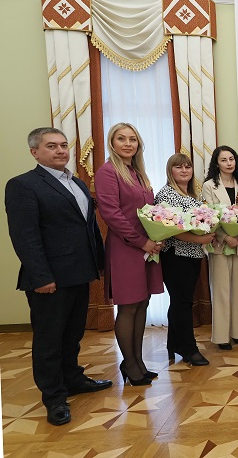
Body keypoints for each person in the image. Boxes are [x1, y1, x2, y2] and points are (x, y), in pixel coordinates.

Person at [5, 127, 110, 426]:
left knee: (73, 335)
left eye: (64, 145)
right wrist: (41, 277)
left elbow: (89, 227)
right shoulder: (23, 185)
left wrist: (99, 263)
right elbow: (25, 236)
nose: (61, 150)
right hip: (49, 279)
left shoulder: (77, 183)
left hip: (80, 273)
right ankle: (54, 397)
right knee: (49, 341)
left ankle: (73, 379)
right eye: (51, 146)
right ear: (34, 152)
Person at [95, 122, 164, 386]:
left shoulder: (138, 173)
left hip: (147, 247)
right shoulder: (107, 172)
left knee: (143, 302)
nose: (127, 143)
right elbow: (111, 214)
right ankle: (130, 364)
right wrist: (141, 242)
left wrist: (158, 236)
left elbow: (149, 212)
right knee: (128, 306)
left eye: (132, 139)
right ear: (112, 143)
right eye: (121, 139)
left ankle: (137, 361)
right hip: (126, 248)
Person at [155, 153, 215, 366]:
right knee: (182, 303)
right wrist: (200, 239)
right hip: (176, 255)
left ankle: (174, 343)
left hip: (192, 255)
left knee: (181, 301)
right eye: (179, 167)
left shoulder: (191, 195)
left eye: (187, 167)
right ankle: (189, 348)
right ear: (170, 170)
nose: (184, 170)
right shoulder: (166, 194)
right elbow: (171, 229)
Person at [202, 146, 238, 350]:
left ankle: (237, 332)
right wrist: (225, 236)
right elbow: (209, 216)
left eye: (231, 159)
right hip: (220, 244)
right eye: (223, 160)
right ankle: (221, 336)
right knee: (221, 290)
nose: (229, 163)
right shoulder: (209, 186)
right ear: (216, 163)